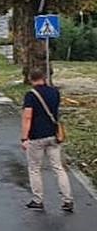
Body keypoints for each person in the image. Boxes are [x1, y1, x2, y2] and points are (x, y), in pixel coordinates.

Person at [21, 68, 73, 212]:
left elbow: (27, 117)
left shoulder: (31, 95)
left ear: (31, 79)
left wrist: (24, 138)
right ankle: (67, 200)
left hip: (36, 137)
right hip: (53, 136)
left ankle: (38, 200)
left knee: (34, 168)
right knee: (58, 168)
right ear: (44, 78)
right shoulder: (55, 92)